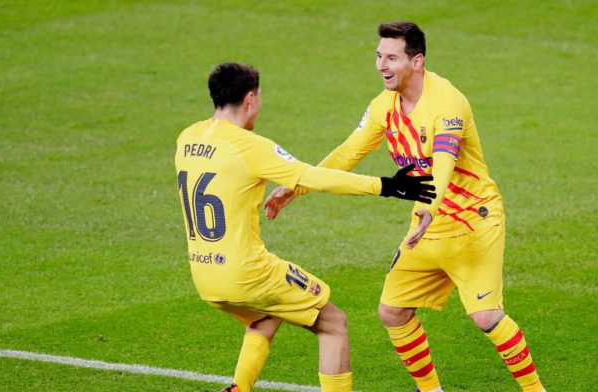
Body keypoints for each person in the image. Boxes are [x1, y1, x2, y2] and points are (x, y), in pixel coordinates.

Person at [264, 21, 545, 392]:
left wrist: (430, 205)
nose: (382, 65)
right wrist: (295, 186)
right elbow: (349, 152)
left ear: (417, 61)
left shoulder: (447, 103)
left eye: (392, 58)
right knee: (392, 311)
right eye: (379, 56)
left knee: (485, 316)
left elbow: (443, 160)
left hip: (472, 222)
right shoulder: (384, 106)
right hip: (425, 226)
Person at [174, 62, 435, 392]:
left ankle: (238, 387)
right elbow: (316, 178)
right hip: (248, 273)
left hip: (204, 274)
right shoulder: (250, 146)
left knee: (264, 317)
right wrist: (384, 185)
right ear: (250, 98)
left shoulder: (187, 138)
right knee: (333, 324)